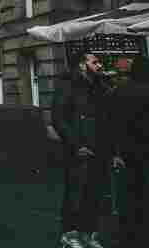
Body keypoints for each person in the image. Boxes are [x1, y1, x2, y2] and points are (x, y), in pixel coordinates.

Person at [52, 51, 115, 248]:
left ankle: (88, 233)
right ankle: (69, 235)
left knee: (94, 195)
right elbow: (59, 119)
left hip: (99, 148)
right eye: (95, 62)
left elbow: (107, 118)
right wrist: (75, 145)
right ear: (82, 65)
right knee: (75, 195)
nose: (100, 65)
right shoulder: (68, 85)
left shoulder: (99, 86)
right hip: (79, 149)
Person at [110, 55, 149, 247]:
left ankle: (128, 235)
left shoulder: (119, 91)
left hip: (126, 151)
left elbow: (113, 124)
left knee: (128, 195)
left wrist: (116, 152)